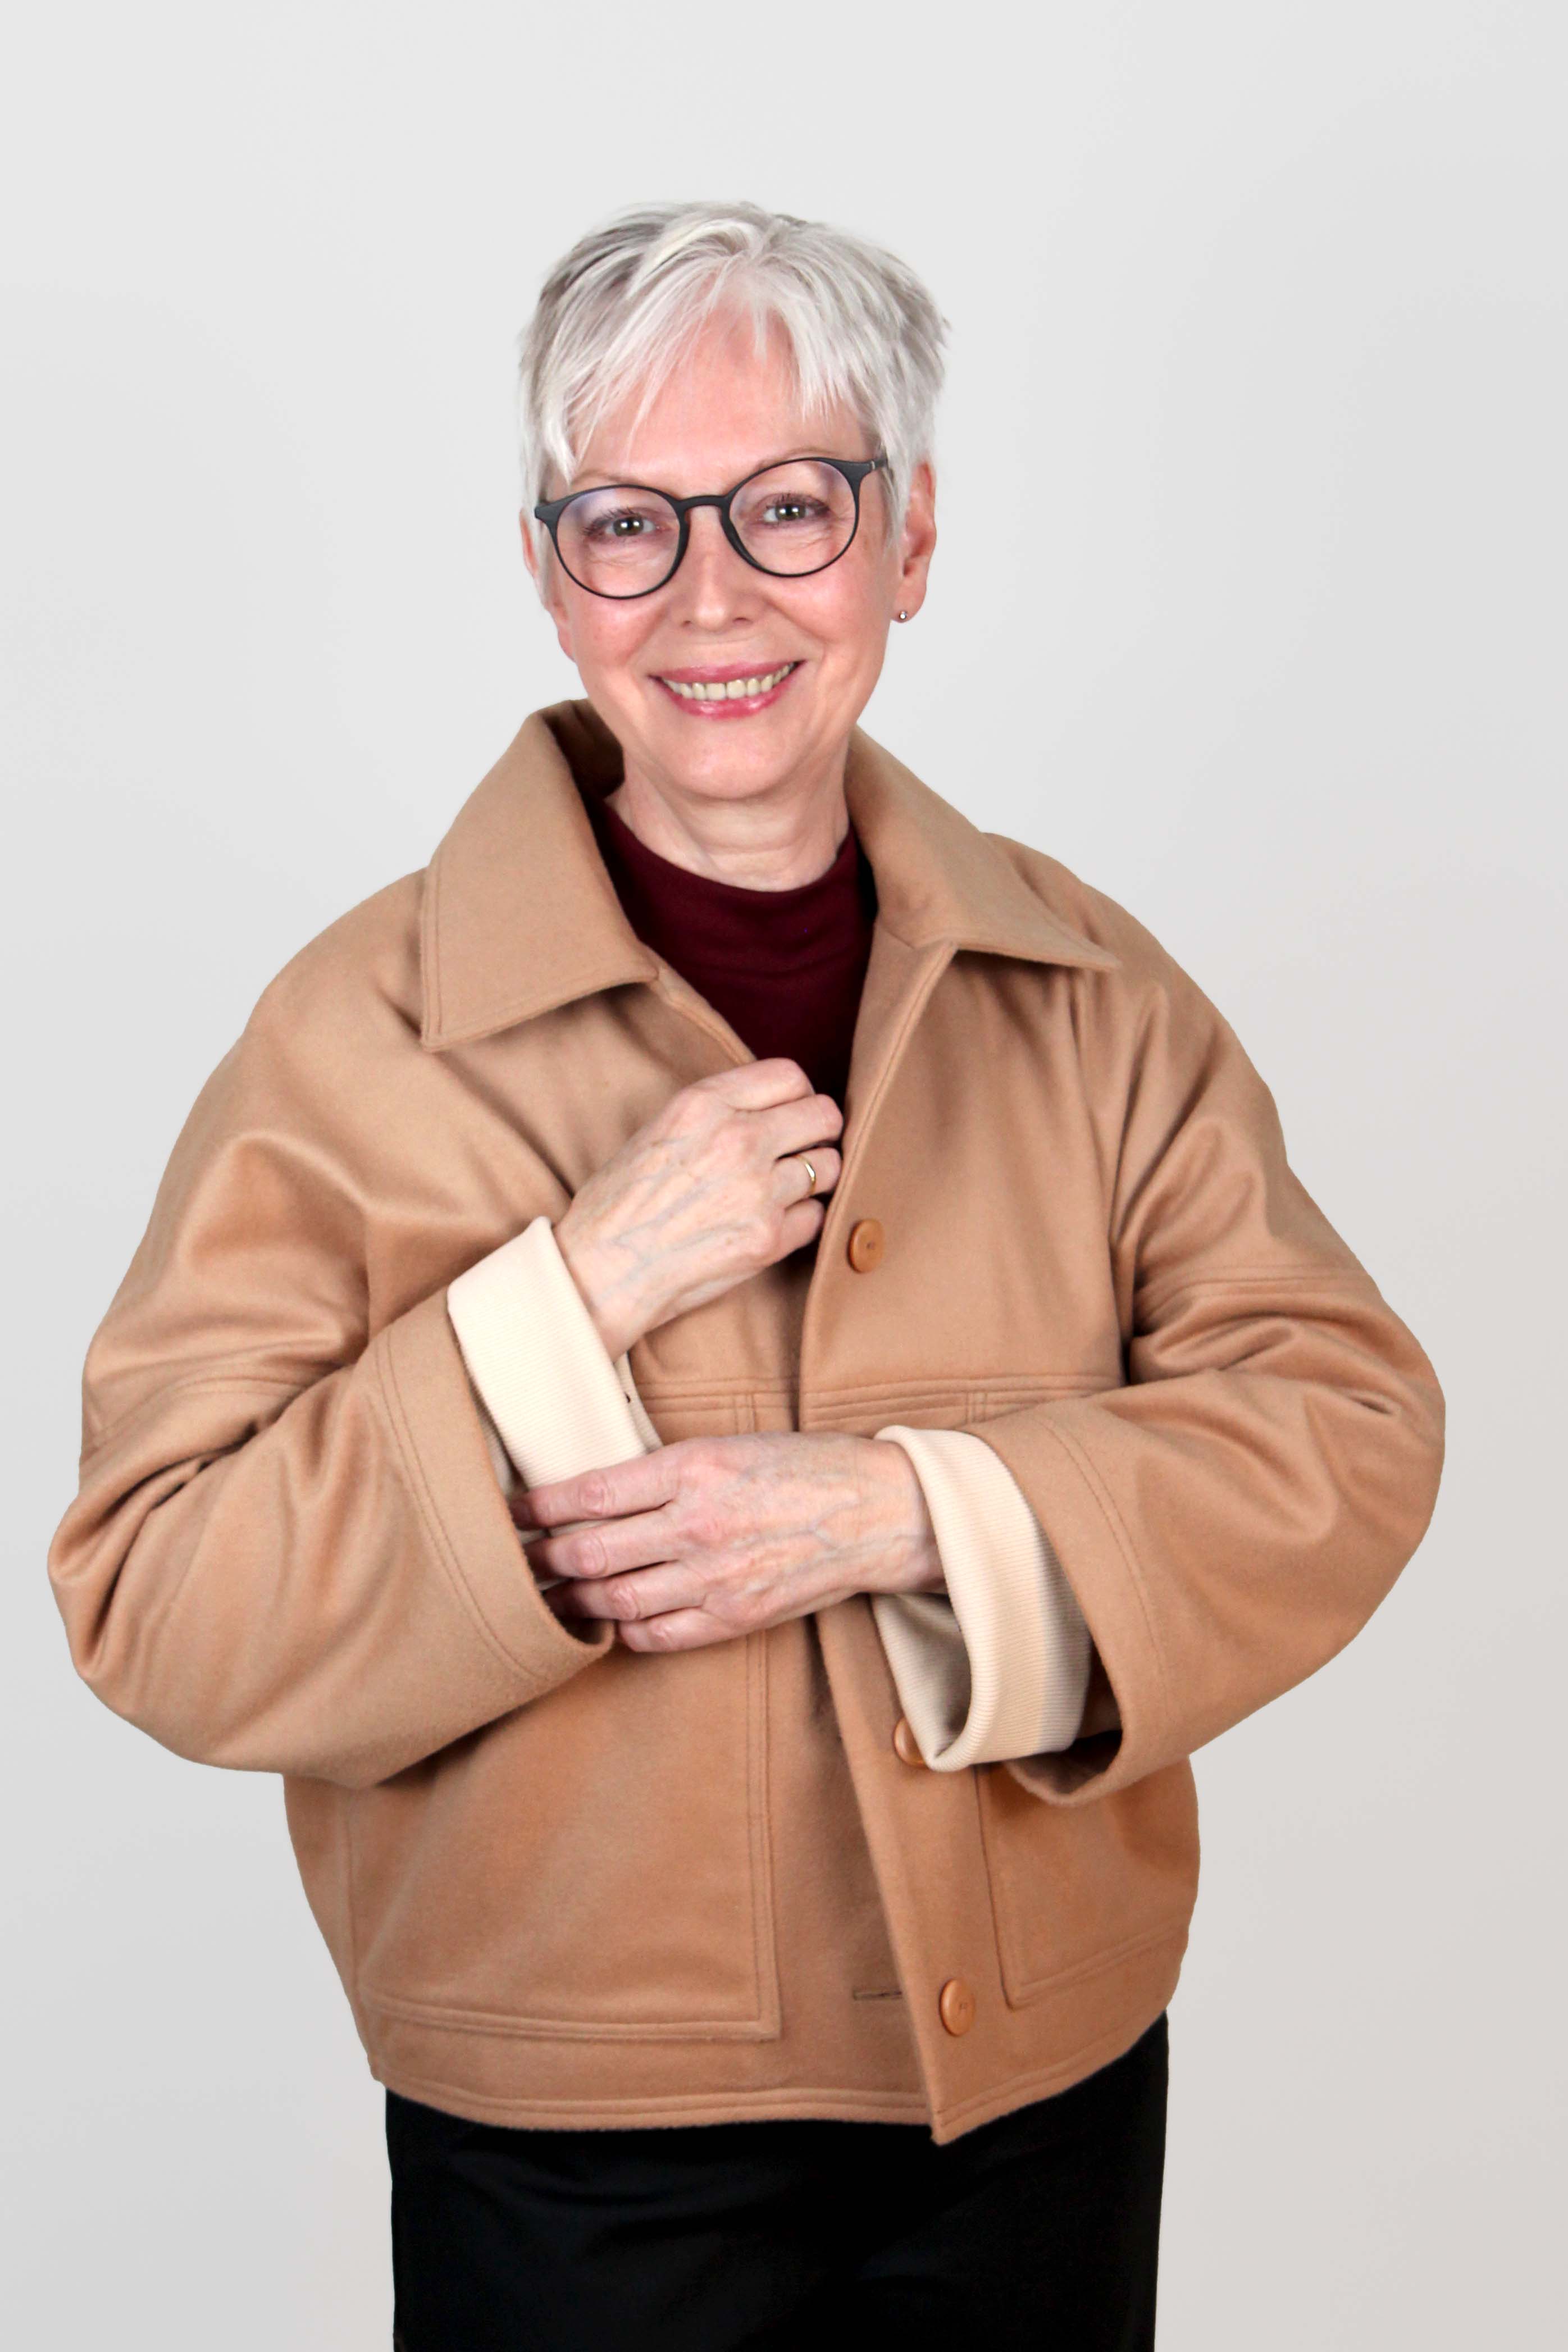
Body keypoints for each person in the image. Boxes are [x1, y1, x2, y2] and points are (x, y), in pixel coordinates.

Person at [47, 201, 1445, 2350]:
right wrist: (570, 1290)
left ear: (909, 539)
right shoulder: (351, 1033)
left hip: (1044, 2104)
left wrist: (906, 1509)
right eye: (628, 521)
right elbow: (155, 1590)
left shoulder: (1092, 995)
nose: (713, 595)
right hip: (567, 2153)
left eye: (790, 506)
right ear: (548, 573)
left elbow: (1345, 1430)